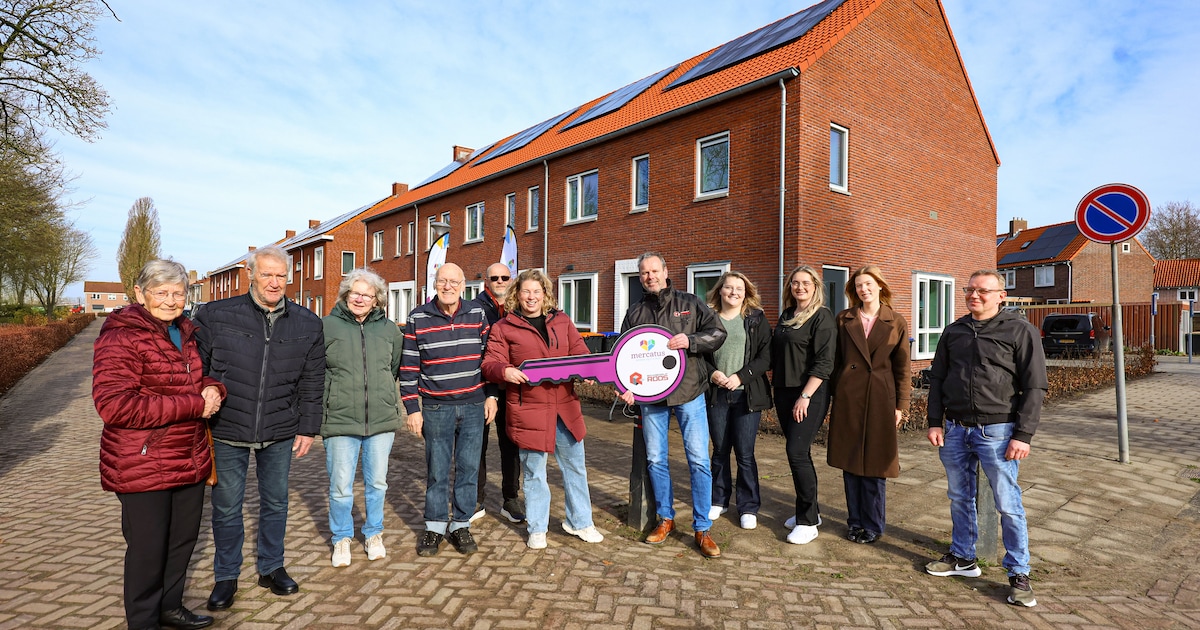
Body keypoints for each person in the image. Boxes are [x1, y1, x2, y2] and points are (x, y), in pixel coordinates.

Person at [94, 259, 225, 630]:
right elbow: (114, 405)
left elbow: (196, 376)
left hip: (189, 456)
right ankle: (143, 621)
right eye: (161, 292)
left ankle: (169, 607)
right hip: (143, 459)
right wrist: (196, 405)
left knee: (181, 543)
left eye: (178, 293)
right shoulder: (121, 335)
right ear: (139, 293)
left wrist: (214, 387)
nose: (170, 300)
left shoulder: (185, 330)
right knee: (148, 550)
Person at [194, 245, 326, 611]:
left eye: (280, 275)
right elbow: (197, 365)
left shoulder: (308, 322)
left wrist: (308, 427)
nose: (273, 282)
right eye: (266, 273)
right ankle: (226, 576)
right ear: (250, 274)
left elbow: (313, 381)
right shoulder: (216, 315)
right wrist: (204, 388)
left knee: (275, 503)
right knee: (226, 506)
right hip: (227, 426)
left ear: (289, 277)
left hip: (281, 426)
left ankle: (271, 567)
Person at [925, 269, 1047, 608]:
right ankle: (964, 558)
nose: (974, 295)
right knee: (959, 497)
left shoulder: (1019, 330)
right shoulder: (954, 331)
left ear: (1000, 295)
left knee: (1008, 504)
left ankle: (1019, 573)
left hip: (999, 431)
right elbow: (937, 379)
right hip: (955, 430)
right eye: (969, 290)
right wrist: (935, 422)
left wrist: (1023, 434)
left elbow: (1035, 385)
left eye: (982, 291)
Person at [482, 269, 604, 549]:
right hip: (530, 410)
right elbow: (490, 363)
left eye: (537, 291)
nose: (531, 297)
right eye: (526, 291)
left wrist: (585, 369)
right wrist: (505, 371)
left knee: (575, 467)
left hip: (565, 407)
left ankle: (580, 522)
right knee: (534, 470)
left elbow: (579, 350)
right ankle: (537, 527)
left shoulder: (562, 321)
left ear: (545, 294)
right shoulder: (504, 327)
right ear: (517, 294)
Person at [617, 252, 727, 558]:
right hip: (651, 398)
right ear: (639, 277)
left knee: (699, 461)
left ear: (666, 272)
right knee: (655, 460)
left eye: (654, 271)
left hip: (689, 391)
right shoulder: (635, 311)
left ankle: (702, 528)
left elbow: (718, 333)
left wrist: (690, 341)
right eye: (643, 273)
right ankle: (665, 519)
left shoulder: (690, 303)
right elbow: (622, 356)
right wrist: (625, 387)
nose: (649, 277)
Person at [402, 262, 498, 557]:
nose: (447, 286)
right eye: (442, 281)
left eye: (453, 282)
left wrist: (492, 395)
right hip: (436, 407)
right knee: (437, 471)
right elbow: (408, 367)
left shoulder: (477, 313)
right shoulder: (417, 317)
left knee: (469, 469)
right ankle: (434, 527)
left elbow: (490, 359)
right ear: (434, 283)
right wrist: (411, 409)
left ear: (463, 285)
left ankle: (460, 524)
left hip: (472, 406)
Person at [321, 268, 403, 567]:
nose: (360, 299)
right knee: (341, 486)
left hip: (380, 419)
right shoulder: (327, 327)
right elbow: (318, 371)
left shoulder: (390, 330)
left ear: (376, 300)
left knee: (377, 484)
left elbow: (392, 368)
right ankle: (341, 538)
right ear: (345, 295)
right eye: (355, 293)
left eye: (367, 295)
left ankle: (373, 533)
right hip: (340, 420)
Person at [826, 265, 910, 545]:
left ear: (880, 286)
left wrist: (901, 405)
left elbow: (903, 368)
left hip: (880, 399)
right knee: (850, 463)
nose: (864, 289)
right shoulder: (843, 318)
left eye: (869, 284)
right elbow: (835, 361)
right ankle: (854, 521)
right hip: (849, 397)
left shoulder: (895, 321)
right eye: (859, 285)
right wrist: (830, 396)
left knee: (876, 464)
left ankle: (873, 524)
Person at [771, 264, 836, 545]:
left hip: (810, 394)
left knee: (796, 452)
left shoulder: (822, 317)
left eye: (805, 283)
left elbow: (824, 362)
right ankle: (809, 511)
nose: (800, 287)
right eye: (795, 283)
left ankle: (808, 522)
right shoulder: (787, 315)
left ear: (815, 287)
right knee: (799, 454)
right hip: (784, 392)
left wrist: (806, 396)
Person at [703, 271, 772, 531]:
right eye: (729, 287)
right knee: (719, 451)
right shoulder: (708, 319)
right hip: (717, 393)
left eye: (739, 289)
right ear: (720, 290)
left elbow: (766, 356)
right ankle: (719, 500)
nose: (734, 292)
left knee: (744, 453)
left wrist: (741, 377)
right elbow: (698, 355)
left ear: (746, 292)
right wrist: (713, 374)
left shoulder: (756, 318)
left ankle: (748, 506)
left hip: (747, 395)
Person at [474, 262, 525, 524]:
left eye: (505, 277)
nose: (500, 281)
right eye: (495, 277)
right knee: (476, 444)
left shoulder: (520, 307)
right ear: (487, 281)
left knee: (511, 444)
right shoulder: (474, 308)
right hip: (482, 387)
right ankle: (476, 498)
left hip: (512, 387)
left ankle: (510, 498)